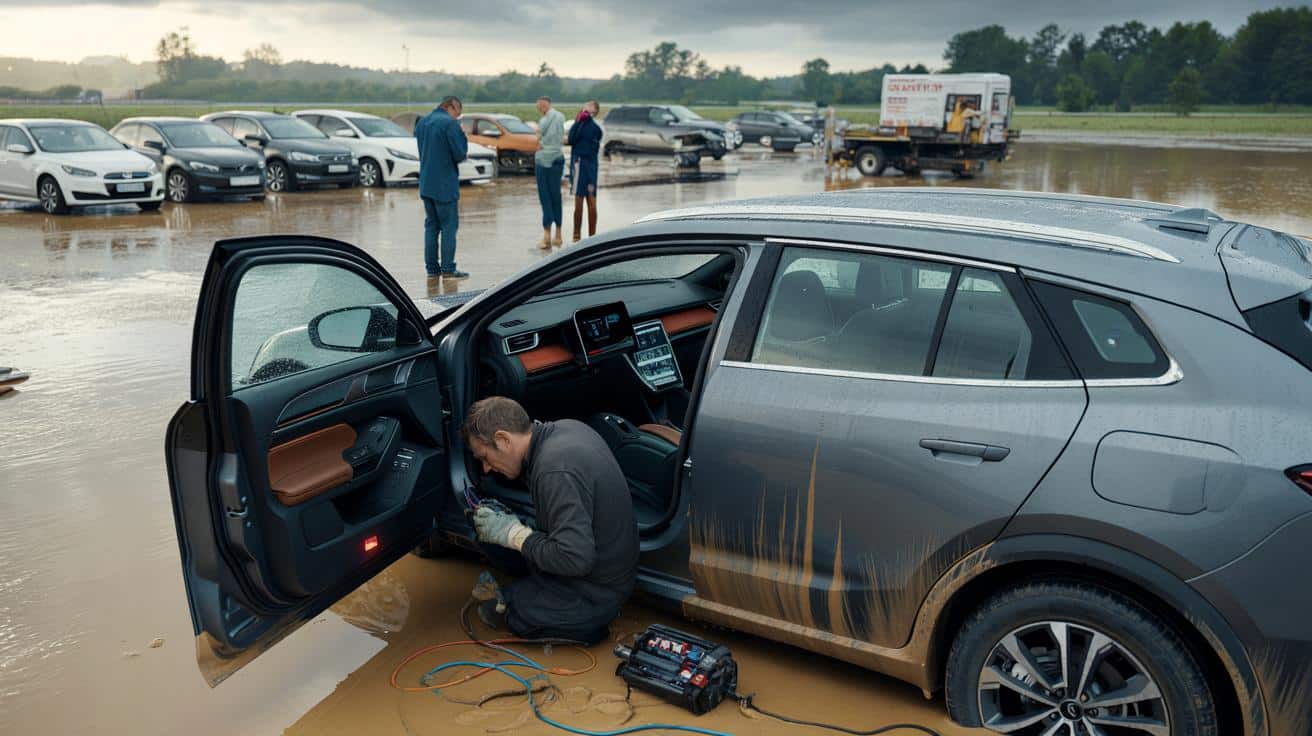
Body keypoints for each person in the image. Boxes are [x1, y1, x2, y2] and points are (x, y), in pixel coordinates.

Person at [464, 397, 639, 643]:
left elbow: (575, 560)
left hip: (597, 591)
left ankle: (591, 624)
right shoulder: (567, 428)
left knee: (513, 614)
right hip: (610, 568)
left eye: (485, 456)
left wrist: (514, 534)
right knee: (509, 579)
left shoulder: (553, 470)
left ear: (503, 440)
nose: (485, 469)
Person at [416, 95, 469, 279]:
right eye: (457, 113)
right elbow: (460, 154)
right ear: (450, 106)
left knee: (431, 226)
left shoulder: (422, 123)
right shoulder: (450, 124)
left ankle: (432, 269)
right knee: (448, 226)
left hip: (426, 184)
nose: (457, 117)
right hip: (445, 185)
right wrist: (462, 135)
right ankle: (448, 268)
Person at [567, 100, 602, 242]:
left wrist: (579, 122)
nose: (585, 107)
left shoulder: (590, 126)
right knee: (587, 200)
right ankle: (587, 237)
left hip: (581, 165)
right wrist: (578, 121)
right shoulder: (588, 126)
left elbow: (571, 140)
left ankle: (578, 237)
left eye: (588, 106)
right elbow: (572, 140)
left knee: (584, 201)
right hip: (590, 166)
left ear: (594, 110)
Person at [534, 96, 566, 249]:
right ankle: (558, 235)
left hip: (544, 160)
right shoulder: (560, 116)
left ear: (543, 105)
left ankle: (546, 236)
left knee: (545, 197)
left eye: (539, 105)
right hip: (558, 158)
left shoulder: (545, 120)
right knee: (556, 196)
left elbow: (539, 137)